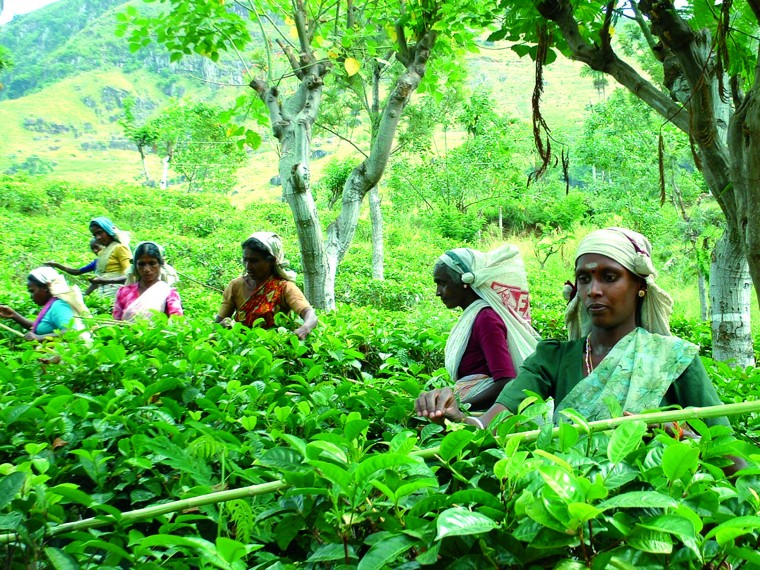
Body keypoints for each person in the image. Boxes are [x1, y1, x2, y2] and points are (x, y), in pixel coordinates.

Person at [416, 227, 731, 431]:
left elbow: (730, 455)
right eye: (584, 278)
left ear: (639, 286)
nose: (593, 289)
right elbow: (490, 423)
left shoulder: (675, 359)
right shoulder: (552, 358)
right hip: (571, 513)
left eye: (609, 277)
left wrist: (679, 436)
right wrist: (459, 417)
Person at [433, 245, 540, 410]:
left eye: (443, 283)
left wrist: (461, 408)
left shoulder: (486, 319)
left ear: (464, 282)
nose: (438, 292)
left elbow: (506, 383)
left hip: (484, 418)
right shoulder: (474, 316)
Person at [215, 232, 317, 340]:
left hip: (272, 348)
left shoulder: (284, 287)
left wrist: (305, 328)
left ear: (271, 261)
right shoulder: (236, 285)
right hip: (240, 346)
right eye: (245, 259)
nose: (248, 266)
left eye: (254, 261)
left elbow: (310, 314)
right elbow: (218, 323)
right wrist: (222, 325)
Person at [0, 267, 89, 341]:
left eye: (32, 291)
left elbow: (70, 332)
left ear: (45, 288)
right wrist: (13, 315)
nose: (31, 296)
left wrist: (39, 338)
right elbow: (42, 327)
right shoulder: (51, 305)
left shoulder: (58, 305)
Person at [113, 241, 183, 322]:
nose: (147, 269)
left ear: (160, 264)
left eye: (152, 263)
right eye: (141, 264)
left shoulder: (168, 293)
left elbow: (177, 323)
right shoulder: (123, 293)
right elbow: (116, 323)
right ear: (135, 266)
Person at [87, 217, 132, 297]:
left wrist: (105, 280)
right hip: (103, 296)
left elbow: (131, 276)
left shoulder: (120, 248)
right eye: (95, 235)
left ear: (107, 230)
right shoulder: (102, 252)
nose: (98, 237)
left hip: (117, 295)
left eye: (100, 233)